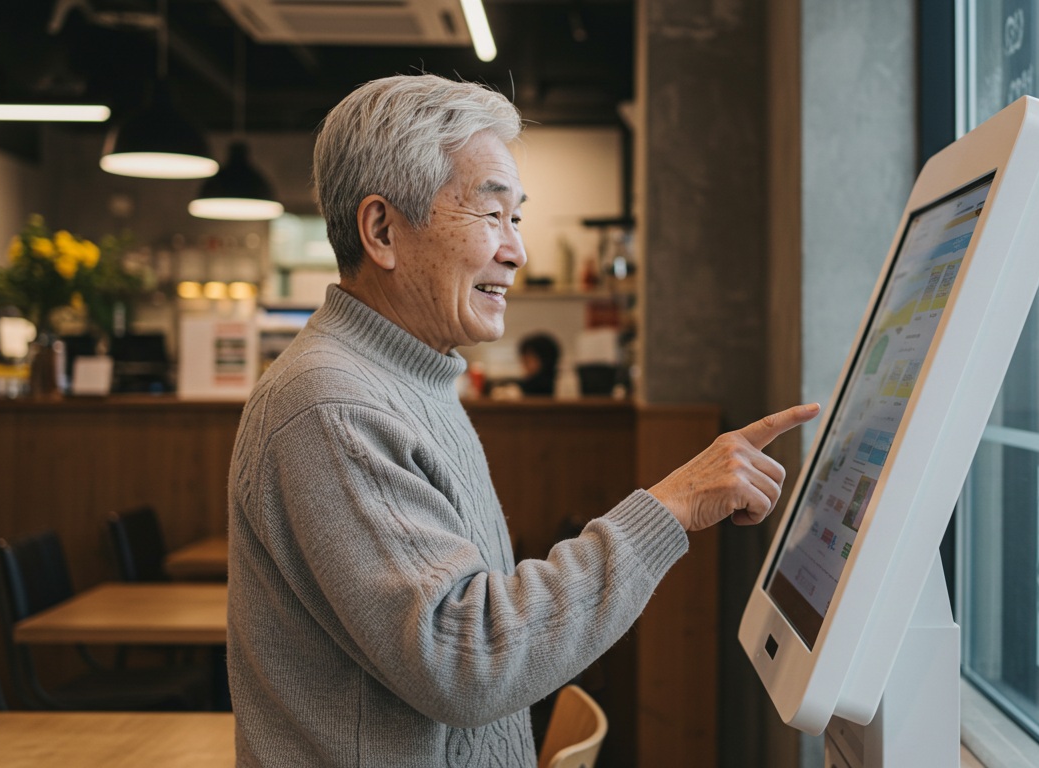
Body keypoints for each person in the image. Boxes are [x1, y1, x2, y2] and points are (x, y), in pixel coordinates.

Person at [226, 73, 819, 767]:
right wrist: (669, 508)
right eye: (491, 216)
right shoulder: (332, 405)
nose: (518, 251)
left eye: (518, 219)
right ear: (382, 230)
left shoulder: (408, 378)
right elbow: (465, 660)